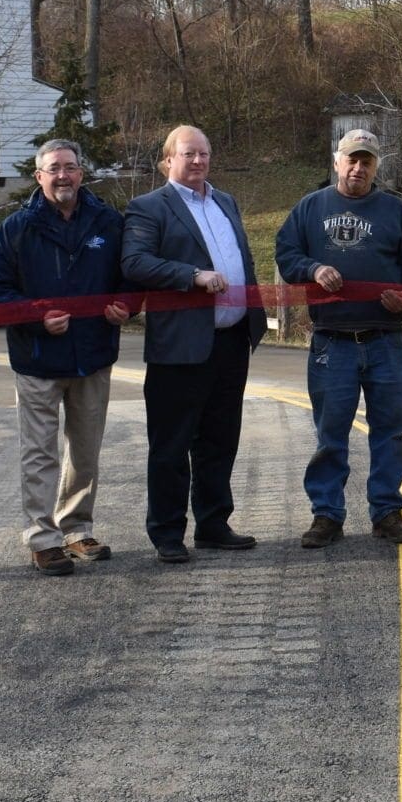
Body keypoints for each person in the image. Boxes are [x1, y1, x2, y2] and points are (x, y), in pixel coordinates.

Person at [0, 139, 131, 577]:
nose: (63, 175)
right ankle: (42, 537)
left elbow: (128, 276)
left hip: (93, 356)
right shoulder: (18, 228)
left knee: (85, 451)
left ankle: (77, 528)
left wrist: (126, 306)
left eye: (70, 167)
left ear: (82, 173)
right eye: (53, 168)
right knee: (40, 454)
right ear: (39, 176)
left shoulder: (108, 222)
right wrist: (36, 318)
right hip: (38, 358)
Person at [275, 129, 402, 548]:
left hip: (385, 341)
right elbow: (286, 255)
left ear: (376, 165)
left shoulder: (396, 212)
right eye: (352, 159)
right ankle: (327, 515)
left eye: (367, 161)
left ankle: (387, 512)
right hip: (332, 341)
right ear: (336, 161)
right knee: (331, 434)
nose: (359, 168)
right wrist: (312, 269)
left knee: (391, 431)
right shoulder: (310, 208)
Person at [121, 126, 268, 563]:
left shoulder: (226, 201)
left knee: (220, 439)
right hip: (180, 347)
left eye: (204, 153)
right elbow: (135, 261)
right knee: (171, 444)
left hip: (231, 341)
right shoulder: (149, 207)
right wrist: (192, 276)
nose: (199, 161)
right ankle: (167, 532)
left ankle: (213, 523)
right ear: (168, 160)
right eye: (188, 154)